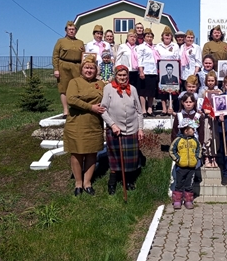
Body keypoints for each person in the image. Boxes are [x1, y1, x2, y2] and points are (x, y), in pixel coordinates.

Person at [64, 54, 106, 196]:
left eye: (92, 68)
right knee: (76, 152)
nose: (89, 70)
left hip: (94, 123)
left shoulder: (100, 84)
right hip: (77, 122)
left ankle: (87, 182)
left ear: (96, 70)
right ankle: (78, 183)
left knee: (91, 152)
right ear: (82, 69)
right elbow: (71, 99)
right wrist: (90, 107)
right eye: (86, 68)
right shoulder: (74, 82)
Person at [101, 65, 144, 195]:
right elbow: (103, 110)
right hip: (115, 129)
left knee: (131, 158)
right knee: (115, 157)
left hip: (132, 129)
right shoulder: (108, 88)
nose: (122, 78)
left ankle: (130, 181)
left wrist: (140, 129)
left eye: (125, 75)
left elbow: (139, 111)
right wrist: (112, 125)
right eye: (120, 75)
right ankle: (112, 183)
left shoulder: (133, 89)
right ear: (115, 76)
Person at [53, 21, 85, 117]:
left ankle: (76, 108)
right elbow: (55, 56)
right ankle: (66, 110)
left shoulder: (80, 42)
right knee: (64, 88)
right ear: (66, 31)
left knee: (78, 87)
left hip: (77, 66)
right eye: (69, 29)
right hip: (64, 66)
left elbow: (84, 56)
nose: (72, 31)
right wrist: (56, 69)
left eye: (73, 29)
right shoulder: (60, 41)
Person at [170, 119, 202, 210]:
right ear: (186, 130)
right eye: (192, 129)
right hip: (180, 167)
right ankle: (177, 201)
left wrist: (196, 158)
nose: (194, 130)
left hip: (191, 167)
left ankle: (188, 200)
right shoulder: (178, 140)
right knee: (179, 184)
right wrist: (178, 159)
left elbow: (199, 149)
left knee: (189, 184)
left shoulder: (195, 141)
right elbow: (172, 150)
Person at [156, 26, 180, 115]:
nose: (167, 36)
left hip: (173, 69)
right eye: (165, 35)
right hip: (161, 69)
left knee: (173, 89)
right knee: (163, 89)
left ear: (171, 36)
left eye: (169, 35)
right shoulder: (158, 46)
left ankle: (170, 107)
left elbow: (177, 57)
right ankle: (164, 109)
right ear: (162, 36)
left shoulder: (175, 46)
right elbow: (156, 56)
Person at [136, 28, 160, 117]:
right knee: (143, 92)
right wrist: (141, 71)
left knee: (151, 92)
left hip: (153, 71)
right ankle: (143, 109)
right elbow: (139, 59)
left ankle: (150, 109)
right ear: (144, 37)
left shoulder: (155, 47)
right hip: (145, 71)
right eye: (147, 36)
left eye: (151, 36)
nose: (149, 38)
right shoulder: (141, 47)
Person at [199, 71, 221, 168]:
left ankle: (214, 157)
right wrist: (205, 111)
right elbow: (200, 106)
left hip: (215, 119)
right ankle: (206, 157)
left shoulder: (219, 92)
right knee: (207, 137)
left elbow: (221, 105)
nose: (211, 82)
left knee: (215, 137)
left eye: (212, 81)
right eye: (209, 81)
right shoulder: (204, 93)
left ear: (215, 81)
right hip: (207, 118)